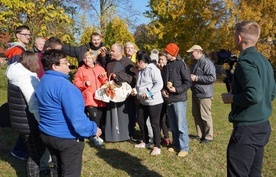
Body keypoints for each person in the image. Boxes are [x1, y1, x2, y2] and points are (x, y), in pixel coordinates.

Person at [221, 20, 275, 177]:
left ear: (239, 38)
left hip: (247, 131)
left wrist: (232, 98)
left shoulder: (245, 61)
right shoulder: (264, 61)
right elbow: (271, 93)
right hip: (262, 126)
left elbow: (254, 94)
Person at [35, 49, 101, 177]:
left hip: (47, 134)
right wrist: (93, 129)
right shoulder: (66, 87)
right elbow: (77, 119)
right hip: (66, 138)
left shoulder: (43, 81)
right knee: (70, 173)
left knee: (57, 169)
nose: (68, 65)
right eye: (65, 63)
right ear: (55, 66)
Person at [6, 51, 46, 176]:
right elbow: (33, 104)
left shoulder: (15, 73)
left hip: (21, 120)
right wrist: (42, 121)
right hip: (29, 121)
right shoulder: (26, 79)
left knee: (32, 151)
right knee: (35, 154)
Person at [5, 25, 31, 161]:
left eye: (29, 34)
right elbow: (15, 72)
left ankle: (20, 149)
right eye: (25, 34)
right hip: (19, 89)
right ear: (18, 35)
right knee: (26, 120)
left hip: (18, 88)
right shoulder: (17, 51)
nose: (28, 37)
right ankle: (19, 150)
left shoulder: (19, 49)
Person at [161, 43, 192, 157]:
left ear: (172, 53)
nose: (165, 54)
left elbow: (188, 82)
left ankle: (184, 147)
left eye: (167, 52)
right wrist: (164, 90)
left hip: (179, 99)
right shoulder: (166, 66)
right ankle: (175, 145)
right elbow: (164, 81)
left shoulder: (181, 65)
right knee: (173, 125)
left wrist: (176, 89)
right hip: (169, 99)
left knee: (181, 124)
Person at [73, 51, 108, 146]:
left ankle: (100, 134)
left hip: (100, 98)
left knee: (100, 116)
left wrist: (103, 80)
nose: (87, 60)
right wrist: (84, 84)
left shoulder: (100, 69)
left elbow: (106, 81)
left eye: (89, 58)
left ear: (94, 59)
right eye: (85, 58)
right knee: (94, 116)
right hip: (89, 97)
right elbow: (76, 83)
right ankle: (94, 136)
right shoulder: (81, 70)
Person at [105, 43, 137, 142]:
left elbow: (132, 78)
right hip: (112, 92)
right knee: (112, 112)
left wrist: (118, 76)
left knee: (124, 115)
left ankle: (126, 134)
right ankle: (113, 135)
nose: (111, 52)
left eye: (113, 51)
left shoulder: (128, 63)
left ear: (119, 52)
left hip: (124, 94)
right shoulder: (110, 63)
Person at [133, 50, 163, 155]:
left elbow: (159, 84)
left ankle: (157, 146)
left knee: (154, 123)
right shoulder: (141, 70)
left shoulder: (153, 69)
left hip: (154, 102)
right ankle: (145, 141)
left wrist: (149, 93)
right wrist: (135, 90)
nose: (136, 64)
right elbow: (139, 85)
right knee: (140, 120)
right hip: (143, 101)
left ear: (141, 61)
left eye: (137, 61)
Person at [187, 44, 216, 143]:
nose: (191, 54)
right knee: (196, 115)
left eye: (192, 52)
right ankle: (200, 135)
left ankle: (208, 136)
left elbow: (212, 78)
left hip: (204, 94)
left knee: (205, 116)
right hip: (196, 93)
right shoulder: (195, 63)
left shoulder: (206, 63)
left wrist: (197, 78)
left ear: (198, 51)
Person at [157, 52, 170, 146]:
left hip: (167, 96)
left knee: (164, 118)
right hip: (158, 97)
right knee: (160, 118)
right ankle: (159, 136)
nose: (160, 61)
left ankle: (166, 137)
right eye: (159, 59)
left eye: (162, 59)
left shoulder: (168, 69)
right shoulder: (157, 69)